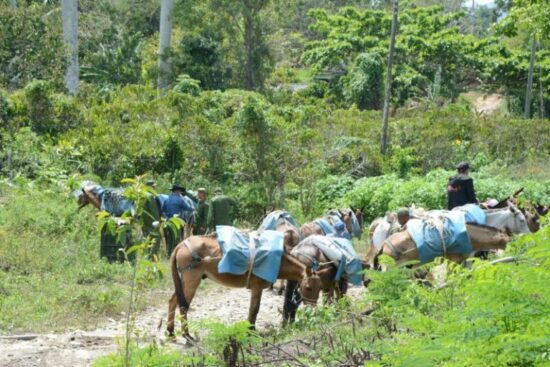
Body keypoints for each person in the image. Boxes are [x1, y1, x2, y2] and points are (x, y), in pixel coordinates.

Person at [164, 184, 194, 254]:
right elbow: (188, 208)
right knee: (177, 238)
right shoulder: (180, 200)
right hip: (177, 221)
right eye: (180, 192)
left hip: (168, 221)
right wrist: (192, 208)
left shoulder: (167, 199)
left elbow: (163, 209)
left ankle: (168, 253)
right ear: (177, 191)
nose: (181, 193)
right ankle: (175, 254)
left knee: (170, 238)